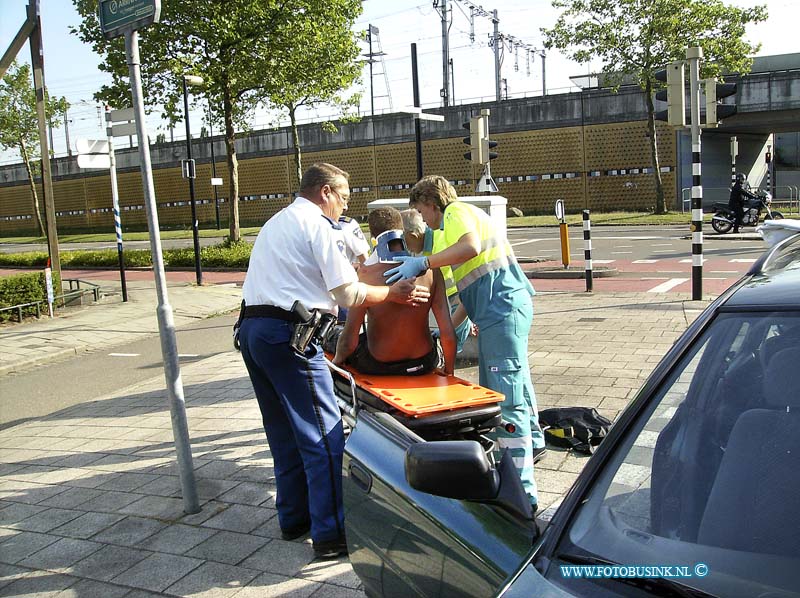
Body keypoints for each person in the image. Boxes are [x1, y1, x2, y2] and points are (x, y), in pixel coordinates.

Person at [238, 163, 430, 559]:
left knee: (283, 431)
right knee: (324, 435)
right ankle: (332, 533)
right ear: (325, 191)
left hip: (254, 332)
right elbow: (348, 293)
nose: (345, 204)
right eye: (343, 195)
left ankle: (294, 519)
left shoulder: (277, 222)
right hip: (291, 337)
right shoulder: (318, 225)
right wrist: (393, 295)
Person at [386, 175, 545, 510]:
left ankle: (522, 493)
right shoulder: (456, 224)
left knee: (505, 395)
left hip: (501, 312)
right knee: (518, 382)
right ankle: (534, 443)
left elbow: (471, 247)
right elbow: (467, 299)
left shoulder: (456, 211)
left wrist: (425, 262)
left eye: (422, 211)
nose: (426, 219)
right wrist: (446, 332)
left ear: (431, 202)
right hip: (501, 311)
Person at [331, 207, 457, 375]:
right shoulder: (431, 272)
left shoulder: (366, 275)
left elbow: (349, 340)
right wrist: (449, 370)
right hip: (424, 361)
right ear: (403, 233)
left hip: (380, 364)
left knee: (333, 336)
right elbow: (447, 333)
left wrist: (337, 363)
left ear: (374, 239)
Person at [401, 208, 476, 354]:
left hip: (459, 298)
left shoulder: (442, 244)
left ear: (413, 235)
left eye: (403, 239)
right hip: (455, 300)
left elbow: (464, 298)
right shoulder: (430, 243)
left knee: (450, 344)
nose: (403, 245)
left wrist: (449, 329)